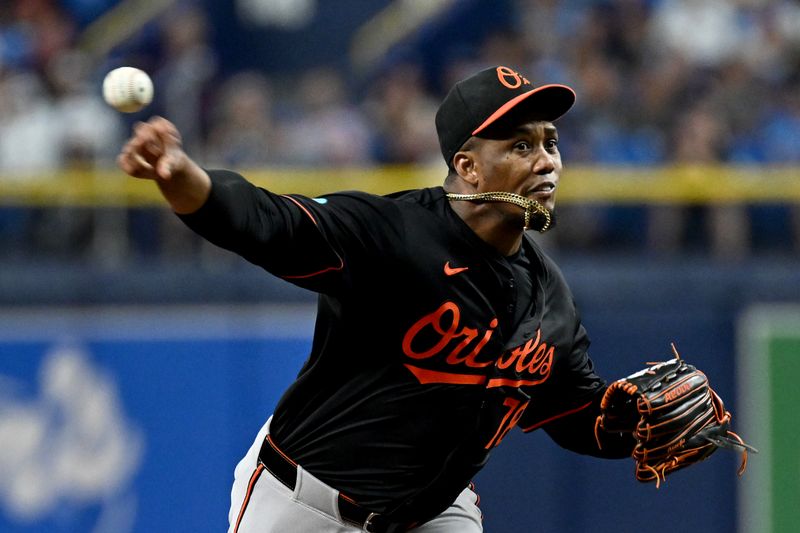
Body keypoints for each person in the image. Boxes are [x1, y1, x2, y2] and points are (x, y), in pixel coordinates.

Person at [117, 65, 637, 533]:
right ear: (469, 167)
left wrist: (632, 426)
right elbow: (268, 222)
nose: (545, 160)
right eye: (520, 146)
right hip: (307, 503)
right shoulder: (391, 235)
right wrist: (187, 179)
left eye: (550, 143)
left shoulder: (550, 298)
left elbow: (573, 412)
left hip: (431, 515)